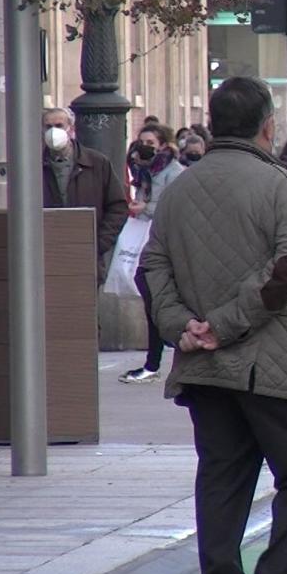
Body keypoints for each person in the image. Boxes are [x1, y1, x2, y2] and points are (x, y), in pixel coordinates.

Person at [139, 77, 287, 574]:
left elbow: (151, 269)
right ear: (267, 127)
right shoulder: (279, 185)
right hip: (275, 365)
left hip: (204, 368)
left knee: (222, 483)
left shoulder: (179, 188)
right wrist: (224, 327)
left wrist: (184, 328)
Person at [119, 123, 186, 384]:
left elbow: (174, 206)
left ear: (163, 145)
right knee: (149, 297)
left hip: (165, 243)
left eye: (150, 142)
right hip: (147, 237)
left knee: (157, 299)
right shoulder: (144, 170)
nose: (144, 146)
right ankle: (156, 357)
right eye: (141, 141)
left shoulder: (174, 172)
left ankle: (159, 356)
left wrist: (146, 206)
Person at [42, 107, 128, 282]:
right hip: (47, 254)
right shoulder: (32, 165)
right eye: (48, 126)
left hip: (87, 257)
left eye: (59, 125)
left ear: (71, 129)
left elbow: (117, 207)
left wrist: (97, 243)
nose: (53, 132)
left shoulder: (96, 163)